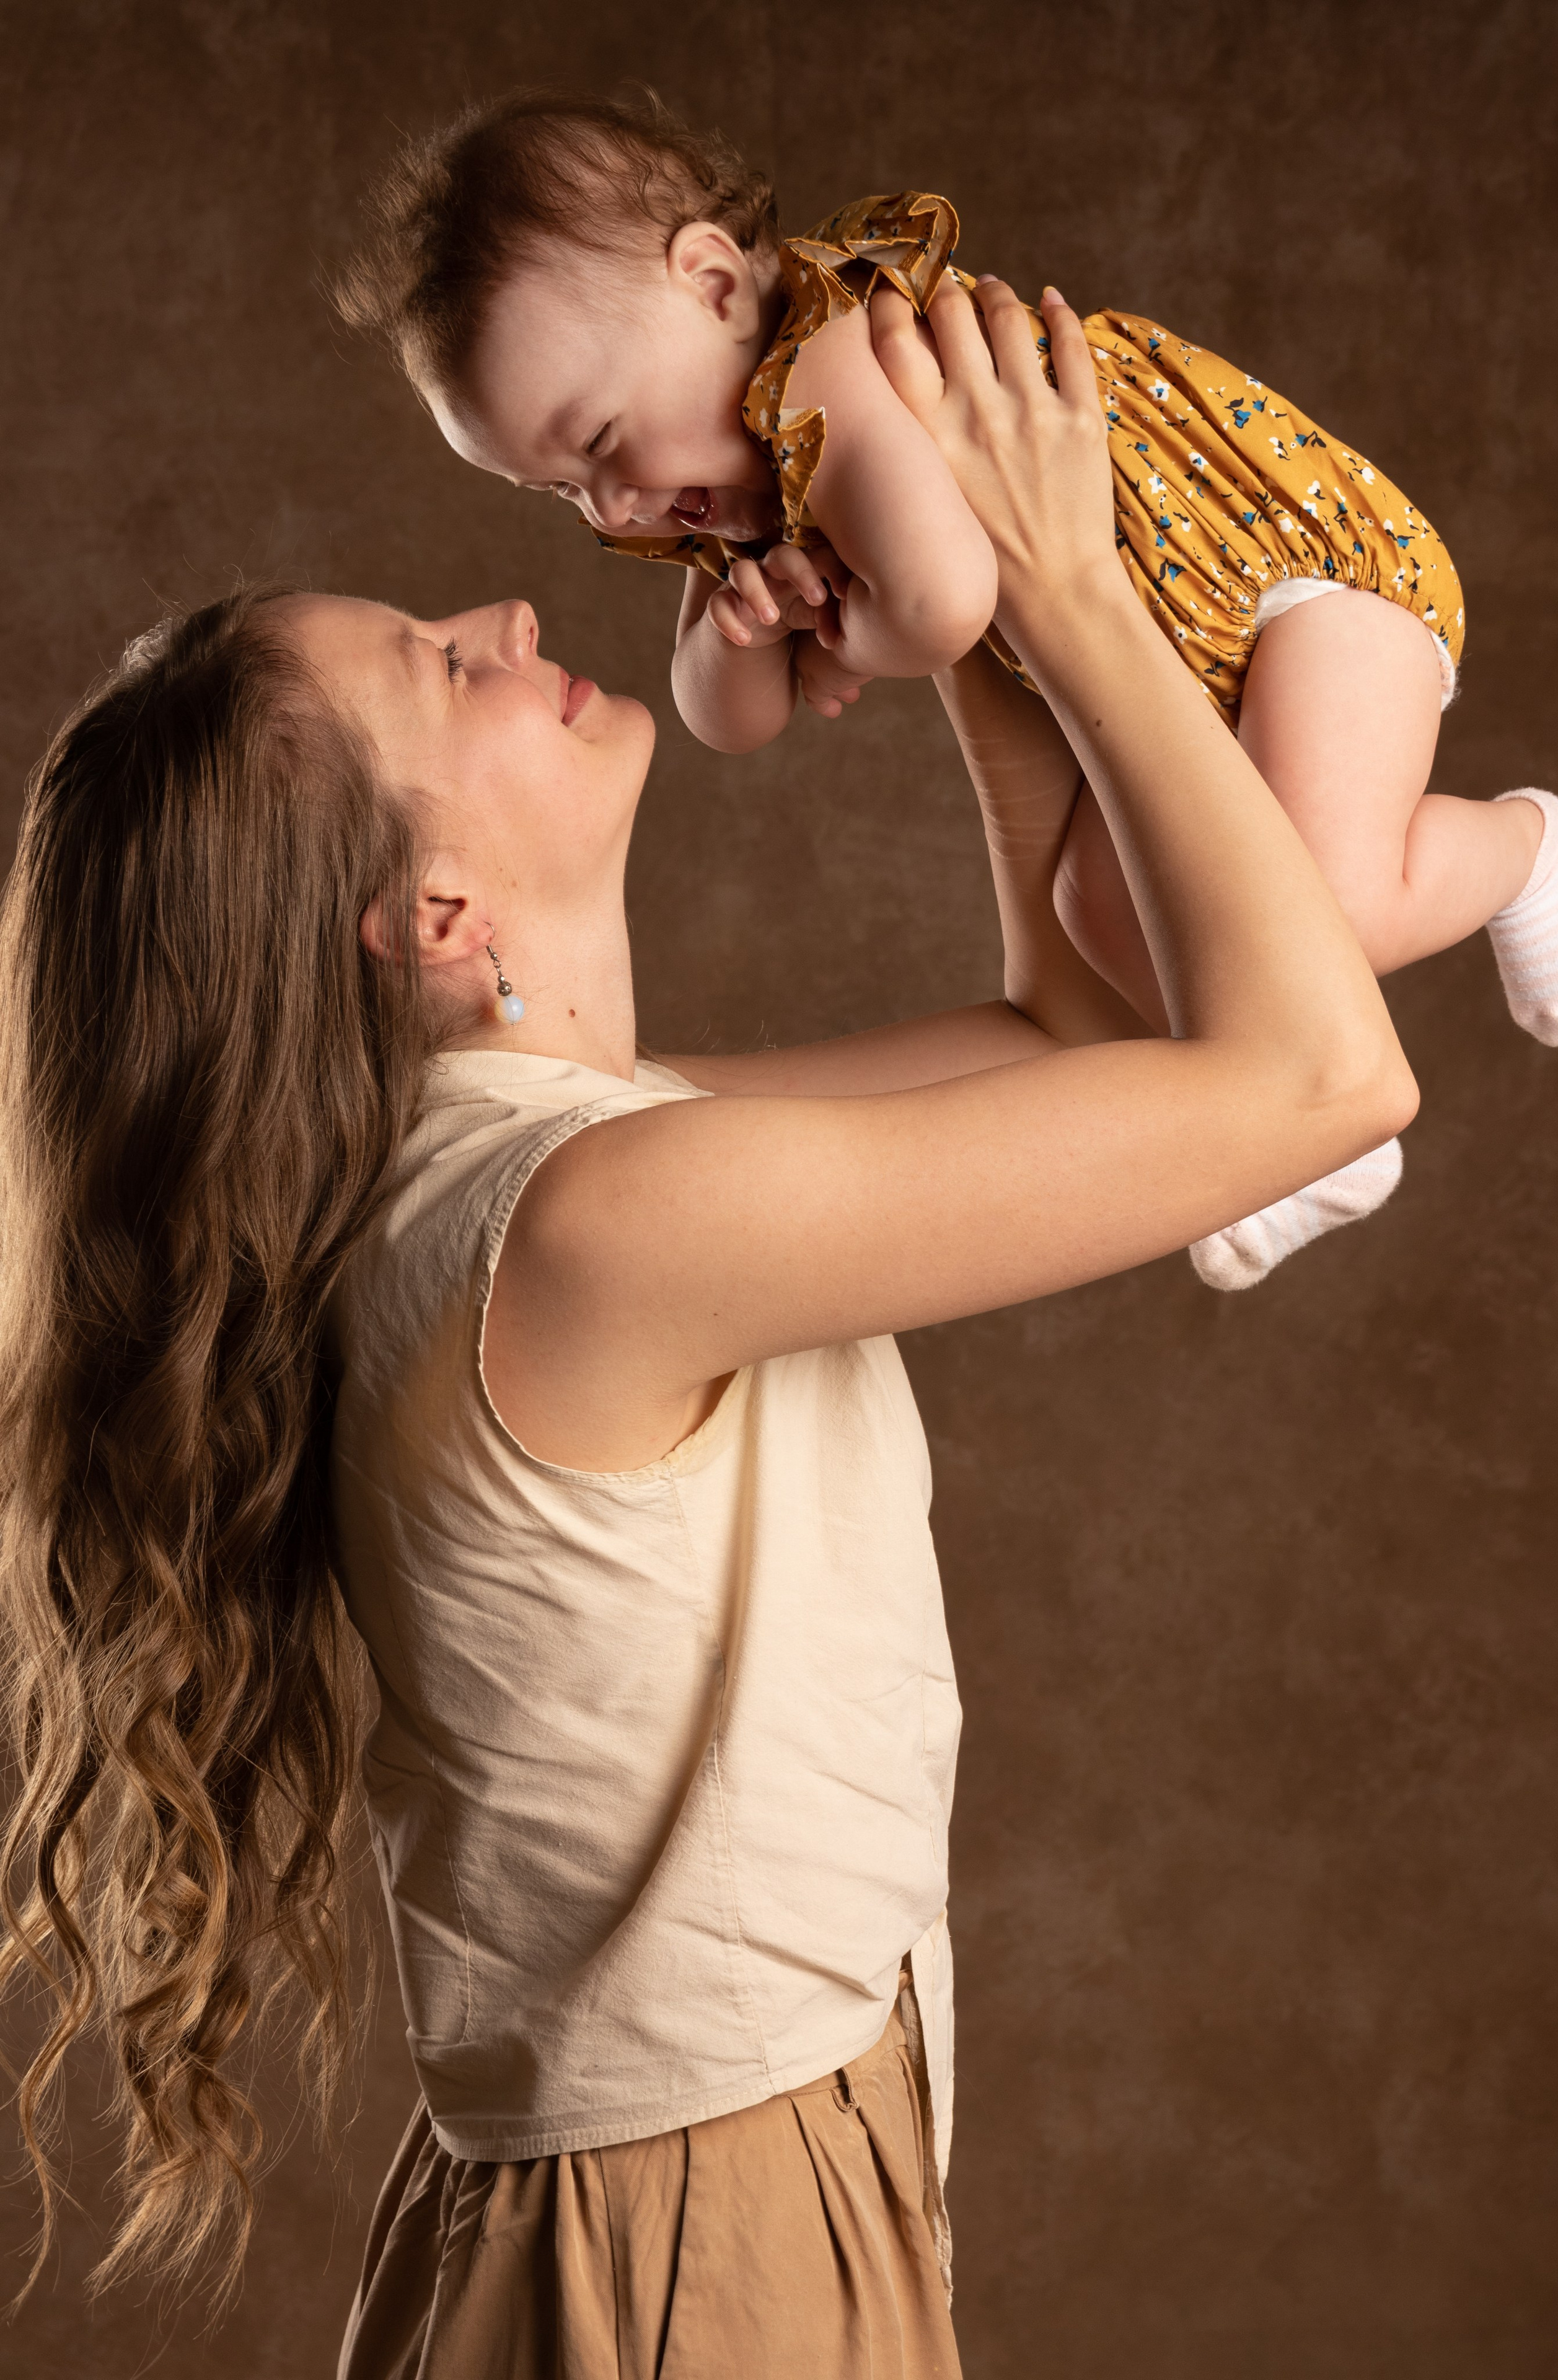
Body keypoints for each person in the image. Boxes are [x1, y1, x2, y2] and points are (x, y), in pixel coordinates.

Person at [0, 277, 1413, 2376]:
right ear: (442, 918)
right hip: (705, 2232)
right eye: (437, 667)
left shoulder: (563, 1172)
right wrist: (1073, 581)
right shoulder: (598, 1222)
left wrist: (953, 601)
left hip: (688, 2208)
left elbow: (1082, 1031)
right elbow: (1322, 1078)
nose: (502, 615)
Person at [337, 87, 1558, 1292]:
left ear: (713, 283)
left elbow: (941, 602)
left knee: (1334, 901)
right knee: (1112, 916)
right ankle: (1295, 1116)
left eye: (601, 443)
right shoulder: (728, 476)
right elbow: (725, 716)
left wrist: (836, 640)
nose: (611, 509)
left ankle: (1526, 853)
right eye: (560, 492)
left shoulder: (823, 359)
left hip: (1286, 576)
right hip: (1165, 644)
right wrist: (743, 619)